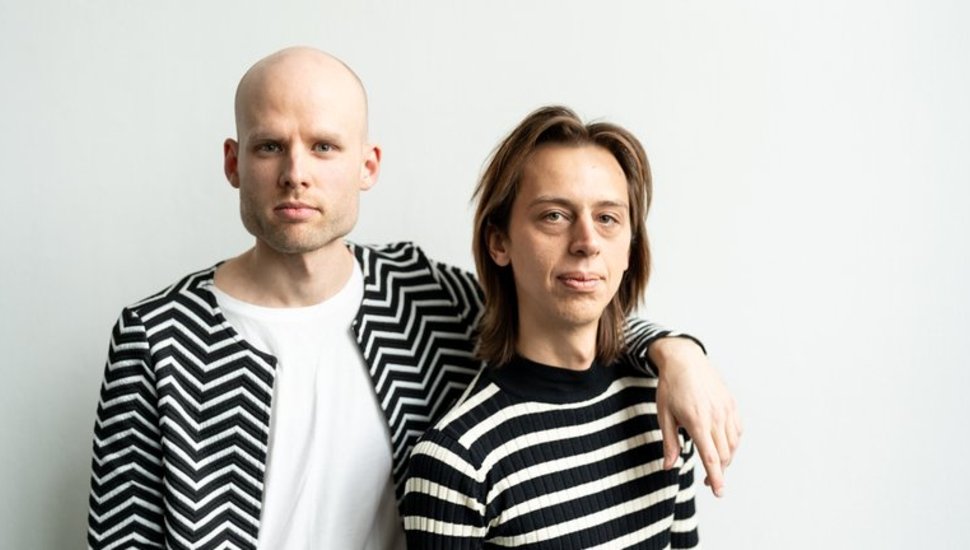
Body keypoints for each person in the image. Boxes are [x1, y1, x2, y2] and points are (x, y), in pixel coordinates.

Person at [86, 47, 739, 550]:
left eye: (323, 146)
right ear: (234, 162)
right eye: (269, 147)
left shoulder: (422, 296)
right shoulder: (157, 338)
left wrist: (676, 353)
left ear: (367, 164)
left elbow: (561, 309)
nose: (296, 173)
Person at [402, 106, 702, 548]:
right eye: (554, 216)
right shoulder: (457, 461)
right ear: (499, 242)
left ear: (629, 248)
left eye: (607, 218)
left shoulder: (664, 401)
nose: (587, 243)